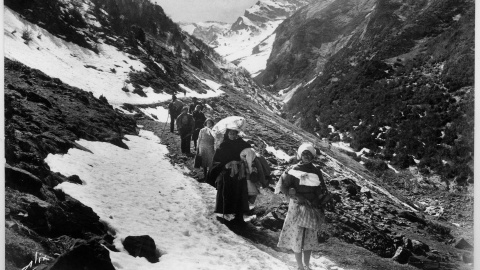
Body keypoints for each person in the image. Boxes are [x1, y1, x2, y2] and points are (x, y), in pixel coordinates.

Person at [275, 143, 328, 270]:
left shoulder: (316, 171)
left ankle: (307, 265)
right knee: (297, 235)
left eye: (309, 154)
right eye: (304, 154)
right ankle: (300, 266)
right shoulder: (293, 170)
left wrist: (317, 199)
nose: (306, 157)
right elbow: (284, 186)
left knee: (309, 236)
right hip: (297, 205)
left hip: (311, 206)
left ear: (313, 156)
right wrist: (296, 195)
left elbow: (321, 189)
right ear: (300, 155)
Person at [208, 129, 251, 224]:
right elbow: (217, 159)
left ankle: (238, 215)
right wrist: (225, 165)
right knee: (227, 191)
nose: (232, 135)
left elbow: (248, 152)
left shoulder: (242, 144)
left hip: (239, 172)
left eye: (234, 133)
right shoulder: (224, 145)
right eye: (230, 133)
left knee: (239, 192)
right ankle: (225, 213)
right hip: (227, 173)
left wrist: (239, 162)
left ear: (237, 134)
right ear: (227, 134)